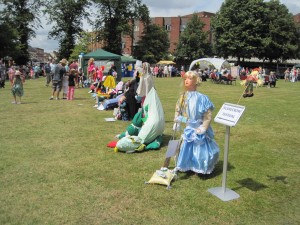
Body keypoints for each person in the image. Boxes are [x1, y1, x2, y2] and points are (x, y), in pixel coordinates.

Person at [173, 70, 220, 175]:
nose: (186, 80)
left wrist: (204, 127)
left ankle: (199, 166)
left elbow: (207, 116)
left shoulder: (202, 98)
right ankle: (187, 164)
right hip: (189, 127)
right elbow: (178, 111)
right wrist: (177, 121)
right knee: (187, 147)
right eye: (185, 78)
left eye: (189, 78)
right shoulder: (183, 97)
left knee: (200, 148)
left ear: (195, 81)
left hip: (199, 127)